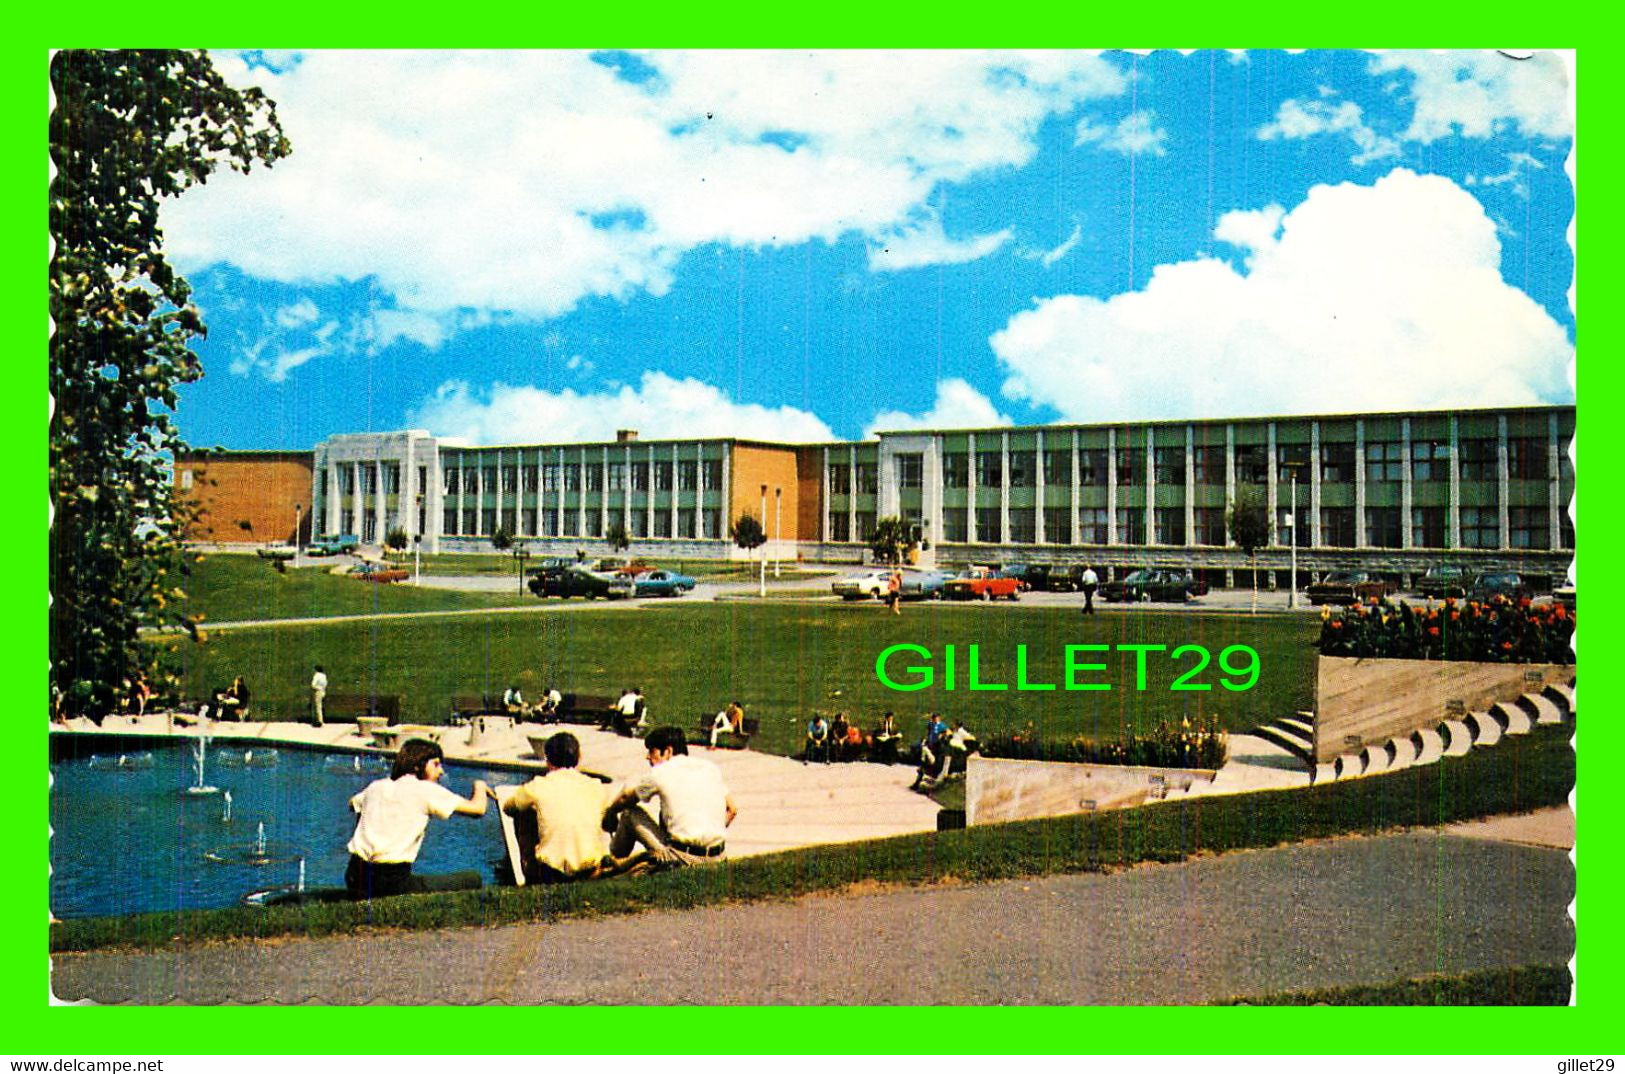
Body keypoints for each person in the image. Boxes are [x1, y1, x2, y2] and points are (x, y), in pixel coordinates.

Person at [344, 738, 492, 899]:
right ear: (417, 766)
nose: (441, 771)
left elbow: (353, 803)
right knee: (472, 878)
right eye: (435, 764)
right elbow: (478, 809)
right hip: (392, 883)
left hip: (355, 876)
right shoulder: (425, 790)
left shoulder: (377, 786)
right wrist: (480, 786)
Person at [604, 726, 736, 868]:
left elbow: (625, 798)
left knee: (629, 813)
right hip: (718, 857)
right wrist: (707, 835)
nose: (647, 757)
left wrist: (610, 812)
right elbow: (732, 810)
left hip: (681, 858)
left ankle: (613, 862)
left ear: (668, 751)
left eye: (652, 751)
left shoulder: (661, 771)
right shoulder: (710, 767)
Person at [504, 732, 616, 883]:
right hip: (590, 867)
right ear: (579, 757)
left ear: (547, 759)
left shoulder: (537, 786)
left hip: (552, 871)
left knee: (523, 813)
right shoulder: (596, 786)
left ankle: (529, 873)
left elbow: (508, 808)